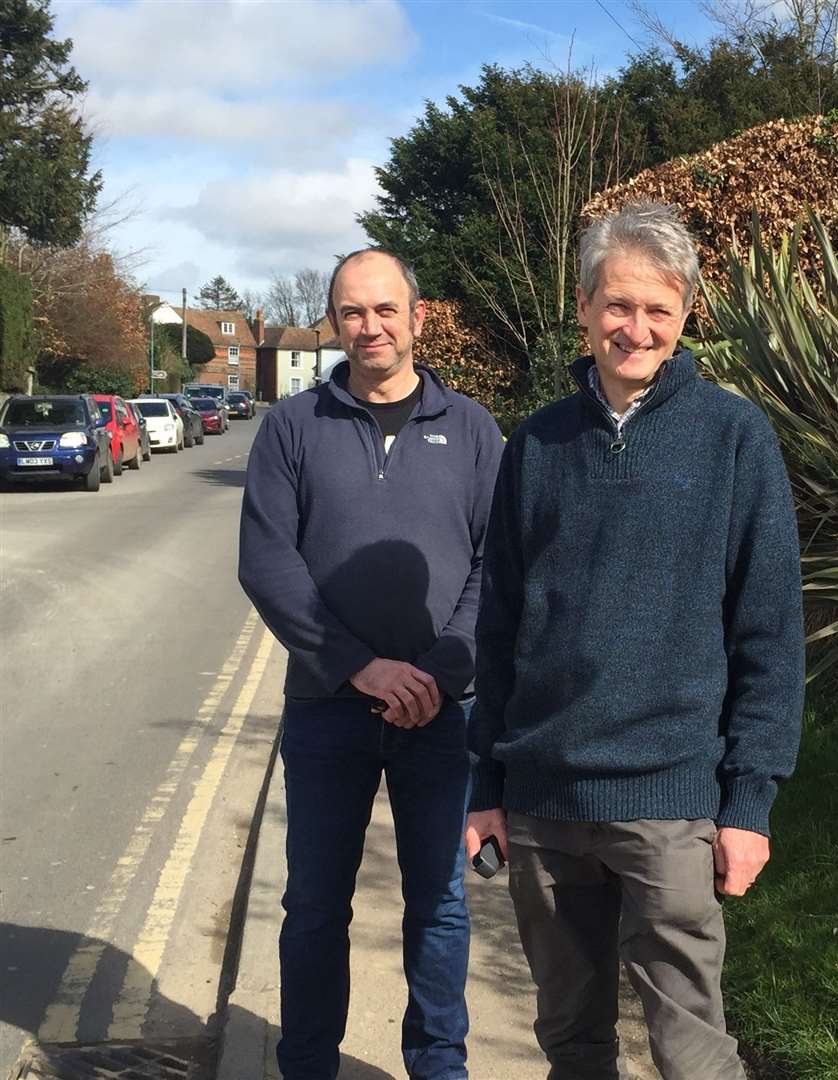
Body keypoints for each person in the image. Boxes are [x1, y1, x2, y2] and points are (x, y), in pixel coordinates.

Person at [466, 198, 804, 1080]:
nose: (637, 327)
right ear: (583, 309)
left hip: (670, 799)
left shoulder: (735, 437)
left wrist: (749, 803)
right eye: (618, 305)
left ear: (686, 314)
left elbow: (769, 632)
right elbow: (498, 623)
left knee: (693, 1053)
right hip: (543, 801)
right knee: (571, 1046)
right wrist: (485, 784)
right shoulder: (536, 445)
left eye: (658, 308)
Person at [239, 248, 504, 1080]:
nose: (370, 326)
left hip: (443, 714)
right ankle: (308, 1065)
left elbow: (498, 564)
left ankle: (438, 1066)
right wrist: (364, 668)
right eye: (352, 312)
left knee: (440, 905)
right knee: (315, 905)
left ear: (418, 318)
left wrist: (441, 669)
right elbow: (268, 563)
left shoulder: (473, 430)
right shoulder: (291, 427)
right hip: (326, 709)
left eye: (386, 310)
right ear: (334, 324)